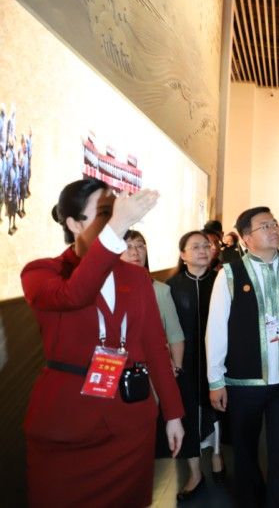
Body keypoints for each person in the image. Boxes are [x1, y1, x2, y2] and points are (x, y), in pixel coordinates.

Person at [21, 179, 184, 507]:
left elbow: (155, 347)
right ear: (73, 223)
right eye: (105, 212)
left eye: (116, 212)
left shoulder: (136, 277)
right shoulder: (42, 272)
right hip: (67, 426)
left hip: (129, 422)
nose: (116, 219)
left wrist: (173, 413)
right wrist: (118, 224)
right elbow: (75, 294)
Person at [206, 206, 279, 507]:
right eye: (264, 226)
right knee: (245, 451)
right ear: (246, 238)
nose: (273, 230)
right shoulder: (229, 274)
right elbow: (216, 329)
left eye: (274, 224)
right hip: (245, 380)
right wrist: (215, 380)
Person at [168, 230, 223, 499]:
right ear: (183, 255)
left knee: (219, 412)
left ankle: (217, 456)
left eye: (206, 246)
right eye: (195, 247)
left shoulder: (222, 282)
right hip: (185, 363)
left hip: (218, 361)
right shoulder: (171, 286)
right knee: (188, 415)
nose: (203, 250)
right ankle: (194, 472)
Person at [120, 230, 184, 371]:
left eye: (140, 246)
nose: (135, 252)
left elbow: (174, 334)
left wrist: (177, 367)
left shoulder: (160, 290)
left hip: (153, 366)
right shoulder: (107, 290)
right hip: (118, 366)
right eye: (128, 246)